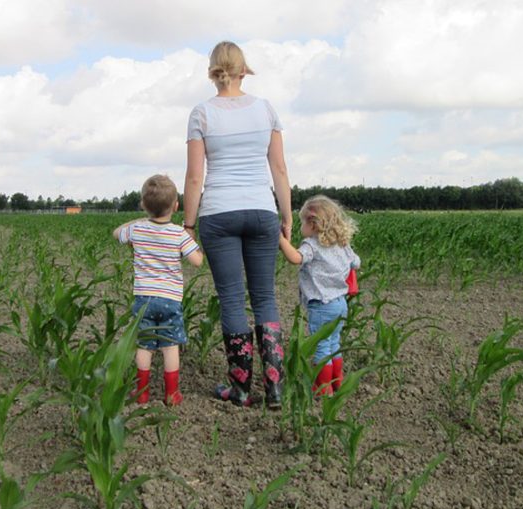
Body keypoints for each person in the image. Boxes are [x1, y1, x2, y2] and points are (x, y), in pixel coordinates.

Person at [182, 41, 292, 408]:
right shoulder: (265, 109)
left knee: (231, 300)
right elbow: (279, 169)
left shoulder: (202, 114)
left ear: (214, 72)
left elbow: (195, 178)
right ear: (244, 70)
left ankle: (242, 389)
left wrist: (189, 224)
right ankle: (275, 388)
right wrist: (287, 215)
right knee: (265, 297)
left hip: (218, 212)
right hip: (262, 211)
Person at [114, 174, 204, 406]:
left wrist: (137, 221)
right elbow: (197, 261)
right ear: (176, 206)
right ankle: (172, 393)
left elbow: (116, 234)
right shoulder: (178, 233)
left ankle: (141, 392)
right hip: (170, 300)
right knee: (170, 345)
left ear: (143, 205)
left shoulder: (137, 230)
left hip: (143, 298)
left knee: (144, 345)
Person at [278, 195, 360, 395]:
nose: (300, 227)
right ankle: (336, 382)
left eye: (302, 222)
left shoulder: (311, 245)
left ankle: (322, 388)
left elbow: (296, 258)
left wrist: (279, 239)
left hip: (321, 305)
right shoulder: (342, 244)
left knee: (322, 346)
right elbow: (356, 263)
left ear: (313, 224)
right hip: (340, 303)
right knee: (334, 343)